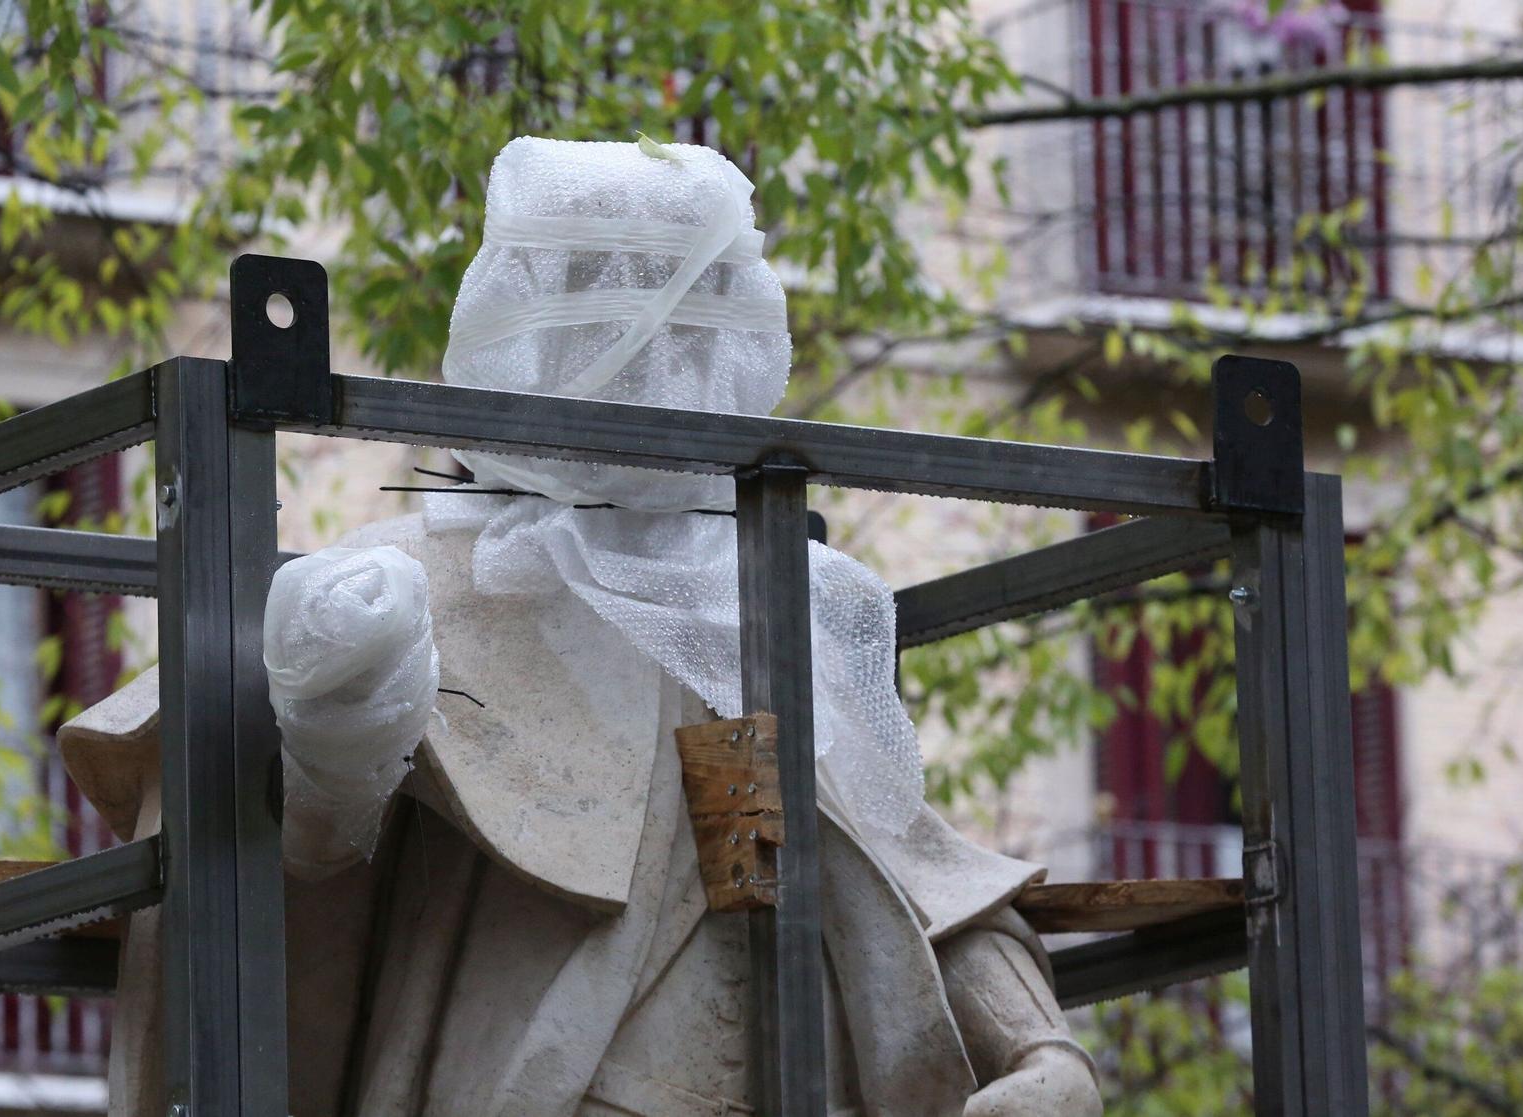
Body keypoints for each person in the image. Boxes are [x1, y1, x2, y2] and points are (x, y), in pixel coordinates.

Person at [60, 137, 1102, 1117]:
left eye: (704, 321)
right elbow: (281, 867)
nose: (673, 359)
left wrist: (1044, 1052)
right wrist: (336, 750)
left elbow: (897, 870)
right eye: (640, 320)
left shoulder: (757, 608)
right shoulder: (408, 585)